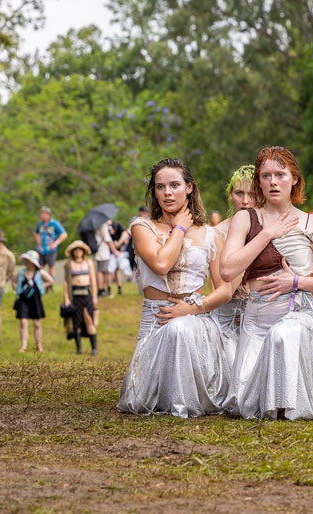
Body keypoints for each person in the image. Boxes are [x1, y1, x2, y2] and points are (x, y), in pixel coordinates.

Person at [220, 146, 313, 421]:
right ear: (258, 181)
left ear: (295, 178)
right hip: (256, 319)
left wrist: (296, 281)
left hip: (298, 316)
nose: (273, 182)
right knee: (244, 403)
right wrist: (266, 234)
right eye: (266, 176)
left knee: (282, 336)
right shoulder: (245, 219)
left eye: (280, 174)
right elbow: (227, 270)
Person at [118, 158, 233, 417]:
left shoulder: (210, 234)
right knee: (140, 399)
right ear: (153, 192)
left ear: (189, 188)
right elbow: (161, 264)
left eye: (174, 185)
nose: (167, 192)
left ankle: (191, 396)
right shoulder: (142, 227)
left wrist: (193, 308)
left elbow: (224, 289)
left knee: (181, 328)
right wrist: (180, 227)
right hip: (157, 317)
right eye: (160, 187)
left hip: (195, 316)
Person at [213, 164, 256, 367]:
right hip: (228, 317)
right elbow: (224, 288)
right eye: (240, 193)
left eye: (252, 194)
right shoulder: (217, 233)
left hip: (262, 315)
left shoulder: (271, 230)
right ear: (231, 195)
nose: (246, 201)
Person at [63, 240, 99, 355]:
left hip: (86, 294)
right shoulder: (69, 264)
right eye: (75, 249)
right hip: (74, 295)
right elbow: (65, 282)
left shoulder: (89, 263)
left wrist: (94, 296)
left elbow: (93, 280)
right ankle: (79, 349)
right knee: (76, 321)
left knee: (89, 319)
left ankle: (94, 348)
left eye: (79, 249)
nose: (77, 251)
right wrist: (66, 298)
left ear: (83, 251)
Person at [13, 250, 53, 353]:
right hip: (23, 299)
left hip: (35, 300)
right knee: (23, 322)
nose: (27, 262)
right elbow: (14, 282)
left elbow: (50, 280)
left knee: (37, 323)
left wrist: (41, 287)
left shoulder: (40, 273)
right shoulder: (21, 273)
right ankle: (24, 345)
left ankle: (39, 345)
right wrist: (18, 290)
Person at [33, 207, 68, 292]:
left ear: (49, 215)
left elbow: (64, 234)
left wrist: (56, 243)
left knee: (51, 267)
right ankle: (39, 284)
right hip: (41, 250)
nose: (42, 215)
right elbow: (35, 232)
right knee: (39, 267)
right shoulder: (40, 224)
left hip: (50, 250)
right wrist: (38, 241)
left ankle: (49, 286)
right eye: (41, 213)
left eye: (45, 213)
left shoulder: (54, 223)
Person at [107, 220, 132, 295]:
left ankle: (119, 289)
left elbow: (125, 233)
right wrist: (113, 249)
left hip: (118, 252)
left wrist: (118, 244)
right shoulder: (105, 227)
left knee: (117, 271)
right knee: (110, 271)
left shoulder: (116, 224)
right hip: (110, 253)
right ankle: (109, 289)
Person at [95, 219, 119, 297]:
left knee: (100, 270)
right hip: (102, 251)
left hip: (97, 250)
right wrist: (115, 251)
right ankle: (101, 290)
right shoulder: (103, 225)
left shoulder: (97, 224)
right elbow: (108, 239)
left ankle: (101, 289)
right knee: (102, 271)